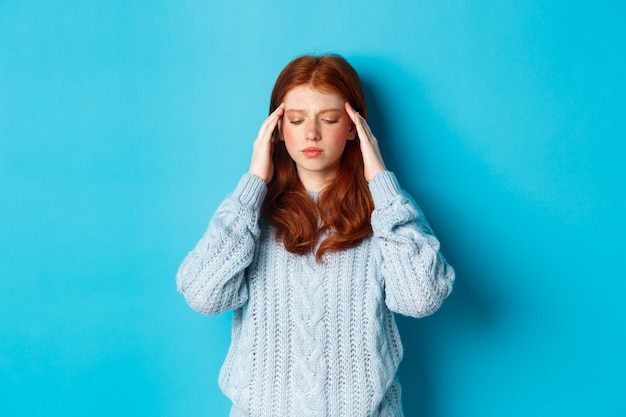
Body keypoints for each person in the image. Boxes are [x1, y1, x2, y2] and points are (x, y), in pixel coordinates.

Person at [176, 54, 455, 417]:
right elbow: (203, 295)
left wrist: (380, 180)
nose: (311, 133)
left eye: (329, 119)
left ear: (354, 126)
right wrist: (253, 184)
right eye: (296, 119)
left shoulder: (388, 214)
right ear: (277, 128)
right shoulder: (251, 215)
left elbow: (421, 299)